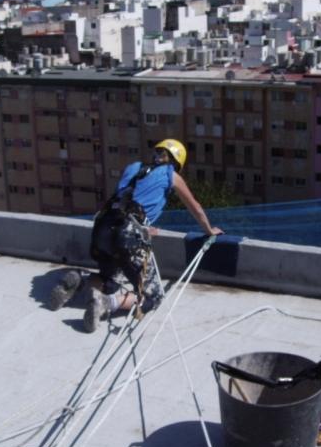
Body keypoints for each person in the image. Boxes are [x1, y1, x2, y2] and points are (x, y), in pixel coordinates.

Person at [50, 139, 223, 333]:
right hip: (129, 235)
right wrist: (209, 230)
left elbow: (128, 200)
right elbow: (195, 208)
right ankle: (106, 304)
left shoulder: (133, 167)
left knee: (110, 279)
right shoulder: (170, 175)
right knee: (154, 295)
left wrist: (144, 227)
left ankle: (80, 281)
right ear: (176, 162)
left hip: (104, 227)